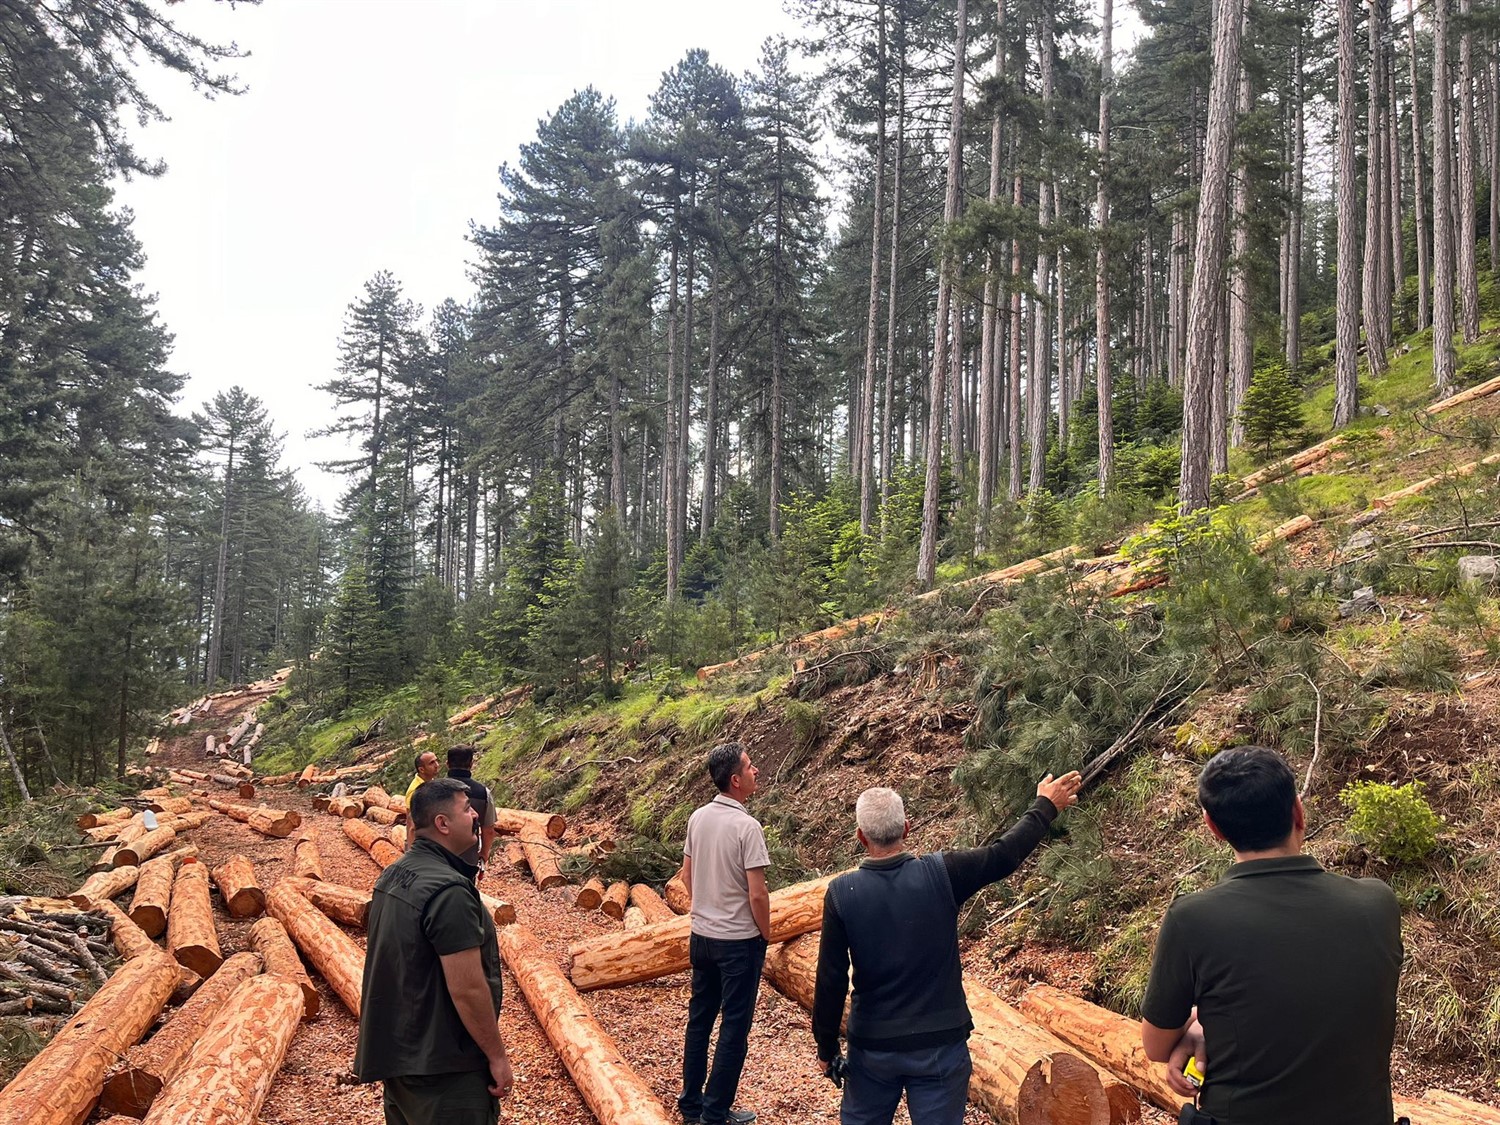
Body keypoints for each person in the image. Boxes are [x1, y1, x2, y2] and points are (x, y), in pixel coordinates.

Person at [1140, 746, 1402, 1125]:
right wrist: (1207, 1022)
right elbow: (1311, 992)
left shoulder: (1193, 918)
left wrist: (1199, 1022)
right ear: (1298, 810)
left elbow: (1156, 1045)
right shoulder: (1377, 903)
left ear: (1213, 828)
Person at [812, 771, 1083, 1125]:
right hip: (940, 1046)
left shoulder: (842, 893)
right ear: (907, 828)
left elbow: (830, 979)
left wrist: (826, 1047)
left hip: (873, 1049)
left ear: (861, 836)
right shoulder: (942, 874)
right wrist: (1045, 806)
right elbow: (1004, 856)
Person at [354, 777, 514, 1125]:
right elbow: (468, 988)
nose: (476, 815)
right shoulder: (449, 892)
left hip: (401, 1060)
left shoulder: (393, 875)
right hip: (445, 1071)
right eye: (466, 809)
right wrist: (497, 1056)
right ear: (442, 824)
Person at [679, 742, 771, 1125]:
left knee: (700, 1020)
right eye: (750, 767)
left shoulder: (698, 817)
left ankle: (691, 1105)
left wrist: (708, 910)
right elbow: (758, 894)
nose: (756, 772)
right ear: (735, 780)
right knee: (734, 1027)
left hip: (701, 937)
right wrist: (765, 934)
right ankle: (716, 1113)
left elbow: (685, 876)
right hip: (738, 943)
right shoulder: (747, 827)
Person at [446, 745, 497, 871]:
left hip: (437, 856)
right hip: (468, 858)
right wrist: (484, 853)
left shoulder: (432, 789)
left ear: (447, 764)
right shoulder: (483, 793)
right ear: (471, 764)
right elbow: (489, 830)